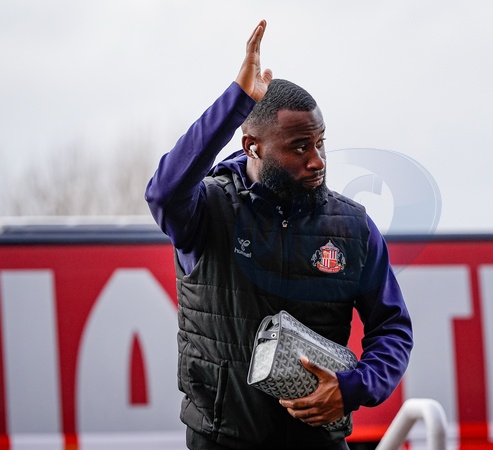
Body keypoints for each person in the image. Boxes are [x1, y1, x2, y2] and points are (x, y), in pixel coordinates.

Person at [145, 20, 413, 450]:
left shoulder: (353, 226)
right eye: (300, 147)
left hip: (318, 442)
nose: (317, 160)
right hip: (221, 441)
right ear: (252, 146)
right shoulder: (206, 210)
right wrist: (237, 101)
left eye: (320, 143)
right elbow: (163, 191)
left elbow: (392, 328)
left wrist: (352, 387)